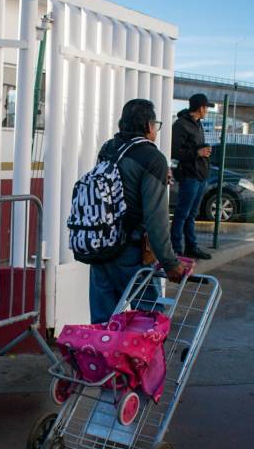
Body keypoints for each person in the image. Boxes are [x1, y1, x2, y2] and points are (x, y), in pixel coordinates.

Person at [88, 99, 187, 324]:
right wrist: (170, 262)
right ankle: (143, 361)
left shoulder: (110, 148)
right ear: (148, 126)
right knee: (149, 320)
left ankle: (102, 359)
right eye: (156, 124)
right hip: (130, 251)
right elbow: (156, 219)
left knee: (104, 320)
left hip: (100, 244)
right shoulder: (152, 158)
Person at [170, 93, 215, 260]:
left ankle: (191, 247)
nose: (207, 111)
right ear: (200, 108)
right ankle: (175, 249)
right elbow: (174, 151)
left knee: (191, 214)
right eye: (206, 108)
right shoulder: (181, 125)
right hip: (189, 176)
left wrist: (202, 151)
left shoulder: (197, 124)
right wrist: (197, 152)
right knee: (182, 213)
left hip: (200, 175)